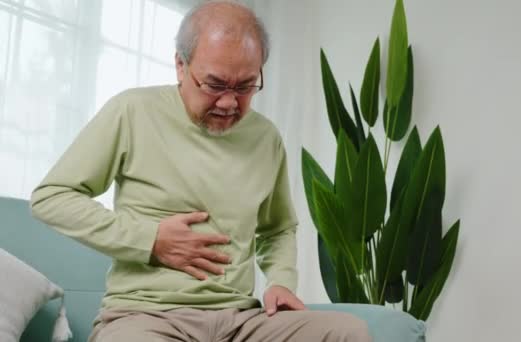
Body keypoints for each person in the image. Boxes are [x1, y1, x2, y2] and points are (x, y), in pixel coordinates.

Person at [30, 1, 372, 341]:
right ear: (181, 65)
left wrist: (281, 281)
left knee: (346, 332)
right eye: (215, 84)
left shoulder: (265, 137)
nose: (229, 102)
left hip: (241, 320)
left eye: (245, 86)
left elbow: (278, 228)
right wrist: (150, 240)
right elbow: (52, 198)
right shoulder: (132, 111)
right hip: (148, 315)